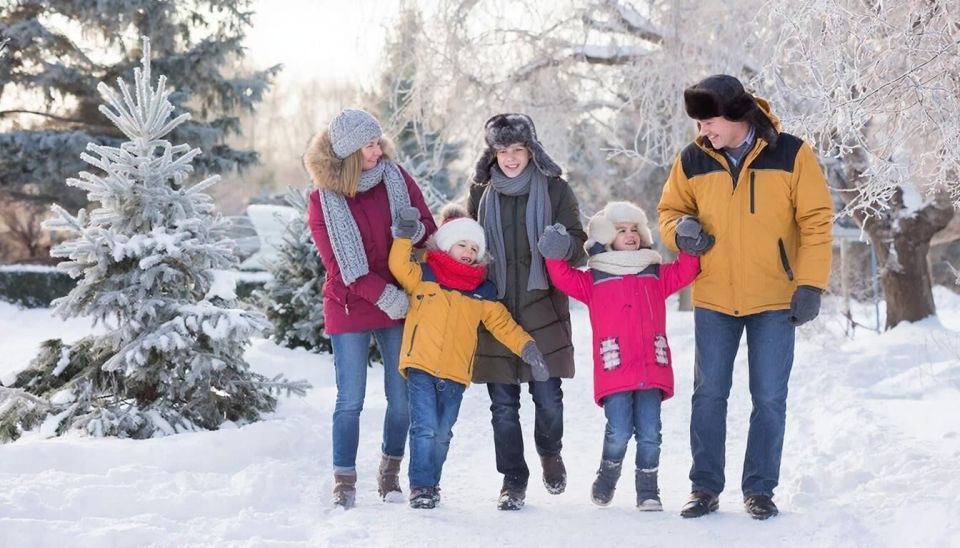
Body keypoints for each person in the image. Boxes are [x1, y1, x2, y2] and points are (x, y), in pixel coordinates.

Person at [657, 74, 833, 520]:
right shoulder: (693, 160)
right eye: (698, 123)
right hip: (715, 297)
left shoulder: (792, 153)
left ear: (736, 115)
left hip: (775, 298)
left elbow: (815, 221)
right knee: (709, 394)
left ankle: (759, 490)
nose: (703, 131)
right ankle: (704, 488)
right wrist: (681, 233)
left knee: (770, 397)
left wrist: (810, 284)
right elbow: (670, 212)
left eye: (709, 121)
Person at [303, 108, 437, 509]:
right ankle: (344, 479)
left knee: (402, 399)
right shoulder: (321, 201)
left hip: (398, 300)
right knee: (351, 399)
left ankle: (390, 471)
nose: (378, 151)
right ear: (347, 153)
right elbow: (341, 268)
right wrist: (387, 296)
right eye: (369, 146)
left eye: (378, 142)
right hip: (349, 304)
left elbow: (426, 226)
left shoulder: (397, 179)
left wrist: (415, 231)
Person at [539, 201, 702, 510]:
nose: (630, 235)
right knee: (619, 430)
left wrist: (690, 245)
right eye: (621, 230)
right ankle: (608, 474)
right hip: (615, 368)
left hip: (652, 367)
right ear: (605, 237)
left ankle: (648, 490)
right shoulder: (595, 279)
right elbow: (563, 278)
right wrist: (554, 254)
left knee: (651, 432)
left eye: (634, 230)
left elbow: (684, 272)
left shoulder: (654, 274)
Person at [388, 203, 549, 510]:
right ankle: (421, 487)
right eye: (461, 243)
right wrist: (403, 237)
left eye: (474, 247)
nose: (468, 250)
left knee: (443, 432)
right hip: (420, 363)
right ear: (447, 245)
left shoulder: (481, 291)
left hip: (455, 373)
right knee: (424, 427)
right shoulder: (424, 274)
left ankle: (432, 483)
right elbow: (398, 265)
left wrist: (527, 347)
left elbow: (502, 324)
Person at [467, 113, 587, 511]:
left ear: (530, 150)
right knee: (502, 405)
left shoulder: (554, 190)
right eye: (502, 151)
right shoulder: (480, 194)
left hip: (543, 309)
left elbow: (578, 244)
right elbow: (467, 245)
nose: (511, 158)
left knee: (549, 396)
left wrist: (562, 245)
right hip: (496, 310)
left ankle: (550, 453)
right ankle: (513, 478)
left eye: (517, 149)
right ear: (493, 154)